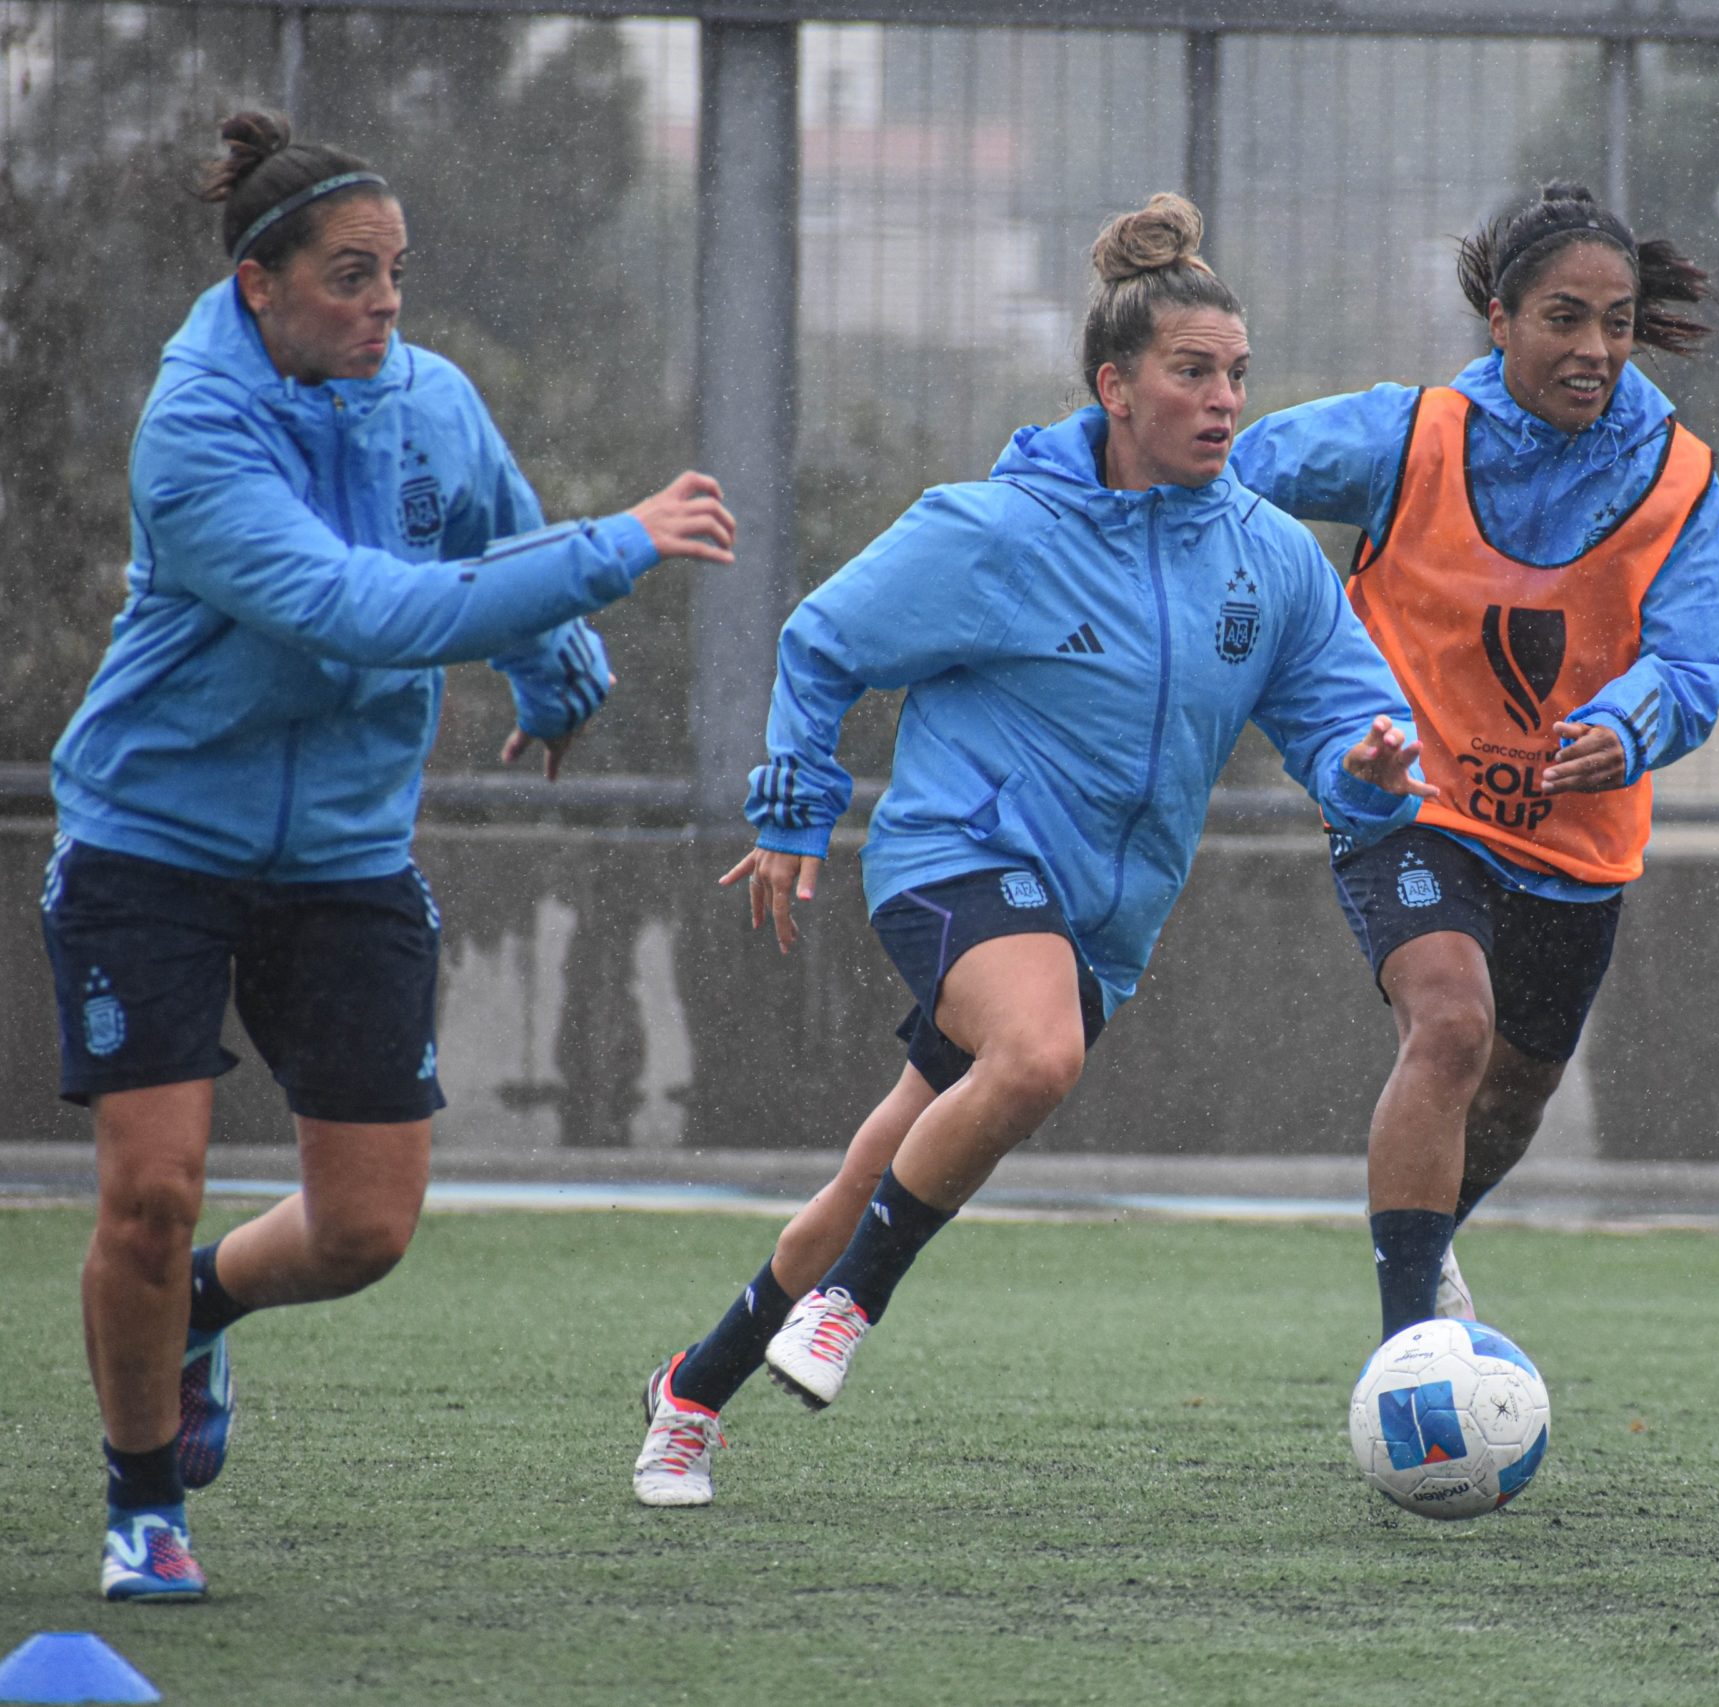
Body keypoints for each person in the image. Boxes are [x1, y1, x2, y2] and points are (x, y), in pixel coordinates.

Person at [631, 193, 1431, 1507]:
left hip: (1101, 927)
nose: (1224, 399)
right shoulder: (997, 529)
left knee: (876, 1161)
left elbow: (1348, 716)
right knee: (1037, 1054)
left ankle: (692, 1390)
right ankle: (854, 1301)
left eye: (1236, 373)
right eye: (1192, 372)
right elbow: (823, 641)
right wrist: (791, 811)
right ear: (1116, 385)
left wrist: (1375, 770)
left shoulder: (1273, 558)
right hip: (957, 854)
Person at [44, 111, 736, 1600]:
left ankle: (204, 1307)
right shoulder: (195, 434)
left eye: (397, 276)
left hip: (347, 853)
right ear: (259, 287)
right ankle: (143, 1496)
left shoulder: (432, 401)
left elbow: (493, 536)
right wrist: (619, 546)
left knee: (363, 1229)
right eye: (350, 277)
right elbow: (367, 608)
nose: (383, 306)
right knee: (148, 1193)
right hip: (151, 844)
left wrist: (559, 683)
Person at [1226, 183, 1719, 1341]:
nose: (1595, 348)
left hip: (1577, 842)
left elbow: (1702, 656)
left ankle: (1426, 1235)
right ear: (1498, 320)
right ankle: (1409, 1339)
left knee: (1514, 1098)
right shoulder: (1400, 435)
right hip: (1413, 802)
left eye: (1616, 321)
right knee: (1451, 1024)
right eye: (1564, 318)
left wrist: (1632, 722)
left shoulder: (1676, 474)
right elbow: (1221, 468)